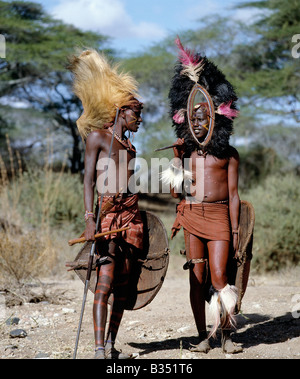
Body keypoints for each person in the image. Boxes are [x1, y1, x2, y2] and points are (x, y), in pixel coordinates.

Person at [165, 37, 243, 354]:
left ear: (216, 116)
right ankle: (205, 337)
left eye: (204, 115)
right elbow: (173, 192)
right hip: (192, 214)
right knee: (196, 278)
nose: (199, 121)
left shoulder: (229, 154)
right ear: (185, 118)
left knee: (220, 275)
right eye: (193, 116)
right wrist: (175, 161)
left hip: (220, 216)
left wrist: (236, 231)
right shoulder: (185, 154)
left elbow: (235, 196)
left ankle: (226, 336)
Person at [68, 49, 144, 359]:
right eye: (136, 113)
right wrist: (89, 219)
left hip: (131, 216)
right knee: (106, 279)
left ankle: (111, 345)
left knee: (125, 287)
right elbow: (87, 181)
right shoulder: (98, 138)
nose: (140, 120)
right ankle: (99, 350)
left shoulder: (131, 146)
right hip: (108, 217)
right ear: (122, 111)